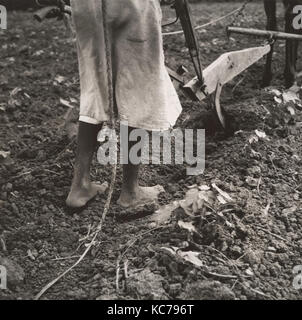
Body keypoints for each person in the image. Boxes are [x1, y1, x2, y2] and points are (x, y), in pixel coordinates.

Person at [66, 0, 182, 209]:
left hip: (86, 5)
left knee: (96, 88)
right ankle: (130, 191)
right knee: (137, 88)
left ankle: (80, 185)